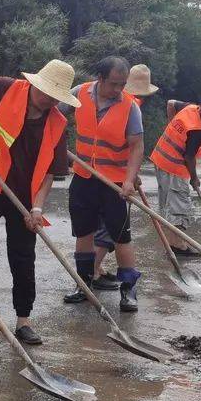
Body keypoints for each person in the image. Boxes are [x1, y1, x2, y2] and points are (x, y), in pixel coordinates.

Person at [0, 60, 79, 345]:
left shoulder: (57, 123)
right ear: (35, 83)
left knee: (22, 257)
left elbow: (49, 173)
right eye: (45, 91)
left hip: (23, 198)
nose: (47, 99)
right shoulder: (6, 89)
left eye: (54, 96)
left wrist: (37, 208)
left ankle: (24, 320)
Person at [63, 56, 145, 312]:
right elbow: (55, 117)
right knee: (83, 232)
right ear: (100, 78)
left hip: (115, 183)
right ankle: (84, 285)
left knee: (121, 236)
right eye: (114, 84)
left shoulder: (130, 107)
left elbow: (137, 146)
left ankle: (128, 289)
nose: (119, 89)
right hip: (84, 177)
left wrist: (129, 180)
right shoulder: (79, 93)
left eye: (123, 84)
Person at [93, 63, 158, 289]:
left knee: (109, 229)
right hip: (108, 177)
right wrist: (129, 177)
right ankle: (93, 271)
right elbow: (127, 145)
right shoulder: (129, 103)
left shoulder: (127, 102)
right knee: (110, 230)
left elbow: (132, 148)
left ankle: (95, 269)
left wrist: (133, 175)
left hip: (117, 175)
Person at [149, 95, 201, 252]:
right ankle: (177, 245)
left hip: (160, 160)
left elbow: (170, 103)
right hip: (174, 168)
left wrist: (171, 125)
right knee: (180, 206)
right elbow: (189, 157)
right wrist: (194, 178)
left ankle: (171, 242)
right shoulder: (197, 129)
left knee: (167, 204)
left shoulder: (189, 107)